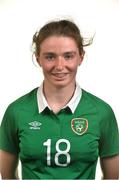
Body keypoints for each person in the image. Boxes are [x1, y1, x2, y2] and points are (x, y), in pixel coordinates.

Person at [0, 19, 119, 180]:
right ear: (38, 58)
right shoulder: (16, 111)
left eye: (68, 56)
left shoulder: (102, 113)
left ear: (81, 58)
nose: (60, 65)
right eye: (50, 57)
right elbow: (7, 177)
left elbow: (113, 177)